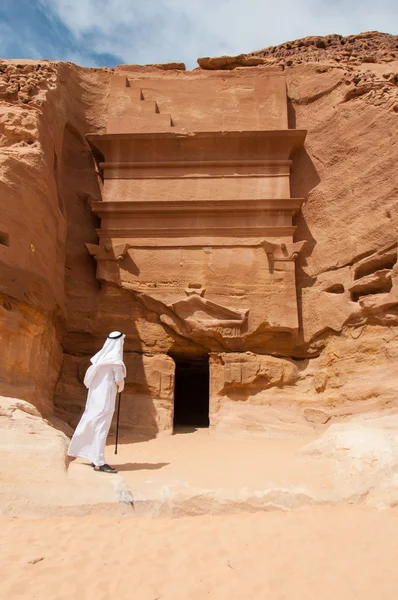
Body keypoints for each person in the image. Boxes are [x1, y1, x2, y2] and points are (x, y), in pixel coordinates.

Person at [68, 331, 126, 473]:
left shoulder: (99, 361)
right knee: (101, 429)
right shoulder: (115, 361)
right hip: (106, 401)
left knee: (90, 424)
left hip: (94, 400)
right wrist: (121, 386)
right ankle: (99, 462)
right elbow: (119, 381)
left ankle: (92, 457)